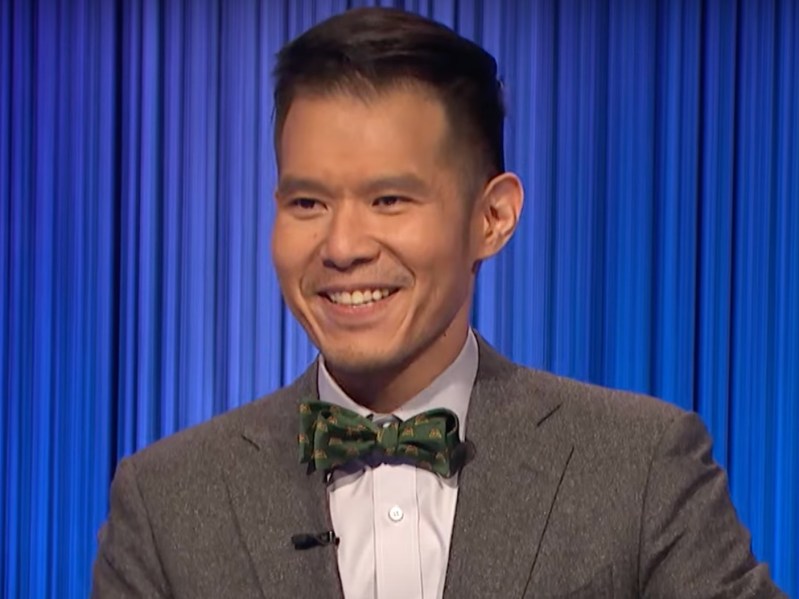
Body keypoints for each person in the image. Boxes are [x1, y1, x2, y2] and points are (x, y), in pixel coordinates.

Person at [91, 7, 785, 598]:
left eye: (388, 199)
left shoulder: (640, 466)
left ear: (492, 217)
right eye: (308, 202)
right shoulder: (164, 500)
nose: (341, 245)